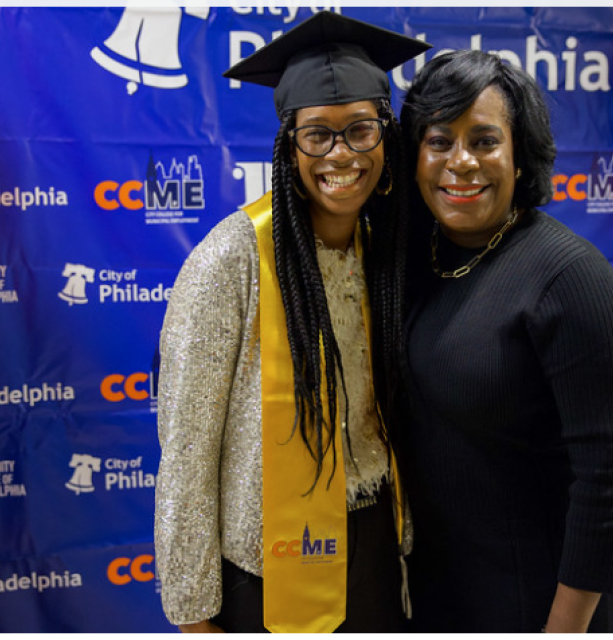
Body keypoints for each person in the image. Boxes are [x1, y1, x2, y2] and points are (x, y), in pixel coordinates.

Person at [154, 11, 430, 634]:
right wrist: (194, 615)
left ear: (386, 134)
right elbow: (187, 452)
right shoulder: (230, 260)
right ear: (289, 145)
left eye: (361, 130)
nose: (342, 154)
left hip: (379, 548)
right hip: (265, 565)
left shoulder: (384, 251)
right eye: (318, 135)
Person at [397, 49, 613, 633]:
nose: (460, 163)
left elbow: (608, 486)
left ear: (520, 153)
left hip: (533, 604)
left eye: (483, 141)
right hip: (432, 596)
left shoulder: (569, 277)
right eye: (439, 141)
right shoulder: (414, 258)